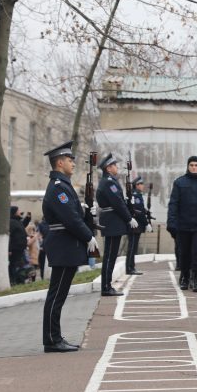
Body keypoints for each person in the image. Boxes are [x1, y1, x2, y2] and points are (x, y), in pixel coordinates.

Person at [41, 140, 98, 353]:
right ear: (59, 163)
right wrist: (87, 235)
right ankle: (51, 339)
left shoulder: (63, 185)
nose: (73, 163)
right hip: (64, 245)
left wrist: (87, 213)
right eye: (69, 160)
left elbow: (75, 214)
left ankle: (54, 337)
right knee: (56, 295)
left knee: (59, 295)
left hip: (66, 245)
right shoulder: (58, 188)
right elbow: (70, 219)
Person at [167, 156, 197, 292]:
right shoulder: (179, 182)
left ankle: (196, 279)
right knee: (184, 252)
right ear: (188, 166)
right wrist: (171, 223)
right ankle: (185, 276)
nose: (194, 167)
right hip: (184, 224)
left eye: (196, 165)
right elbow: (173, 204)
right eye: (191, 165)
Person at [96, 153, 137, 296]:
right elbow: (117, 203)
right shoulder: (109, 182)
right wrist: (128, 218)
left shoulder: (110, 181)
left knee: (111, 255)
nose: (116, 167)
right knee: (109, 256)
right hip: (112, 222)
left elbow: (119, 200)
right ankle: (106, 287)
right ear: (108, 168)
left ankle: (107, 286)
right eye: (114, 165)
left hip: (113, 221)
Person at [125, 176, 149, 276]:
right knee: (132, 247)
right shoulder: (136, 196)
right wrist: (146, 223)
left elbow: (140, 210)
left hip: (136, 226)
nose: (143, 186)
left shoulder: (136, 195)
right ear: (137, 185)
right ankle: (130, 268)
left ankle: (131, 267)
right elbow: (138, 212)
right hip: (135, 226)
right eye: (141, 184)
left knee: (133, 247)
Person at [9, 205, 29, 284]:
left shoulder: (17, 221)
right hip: (15, 248)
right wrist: (9, 249)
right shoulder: (11, 222)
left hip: (20, 247)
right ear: (14, 212)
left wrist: (27, 218)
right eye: (18, 210)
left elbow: (22, 225)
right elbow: (9, 236)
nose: (19, 211)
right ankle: (13, 280)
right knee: (14, 264)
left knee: (20, 264)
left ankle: (19, 279)